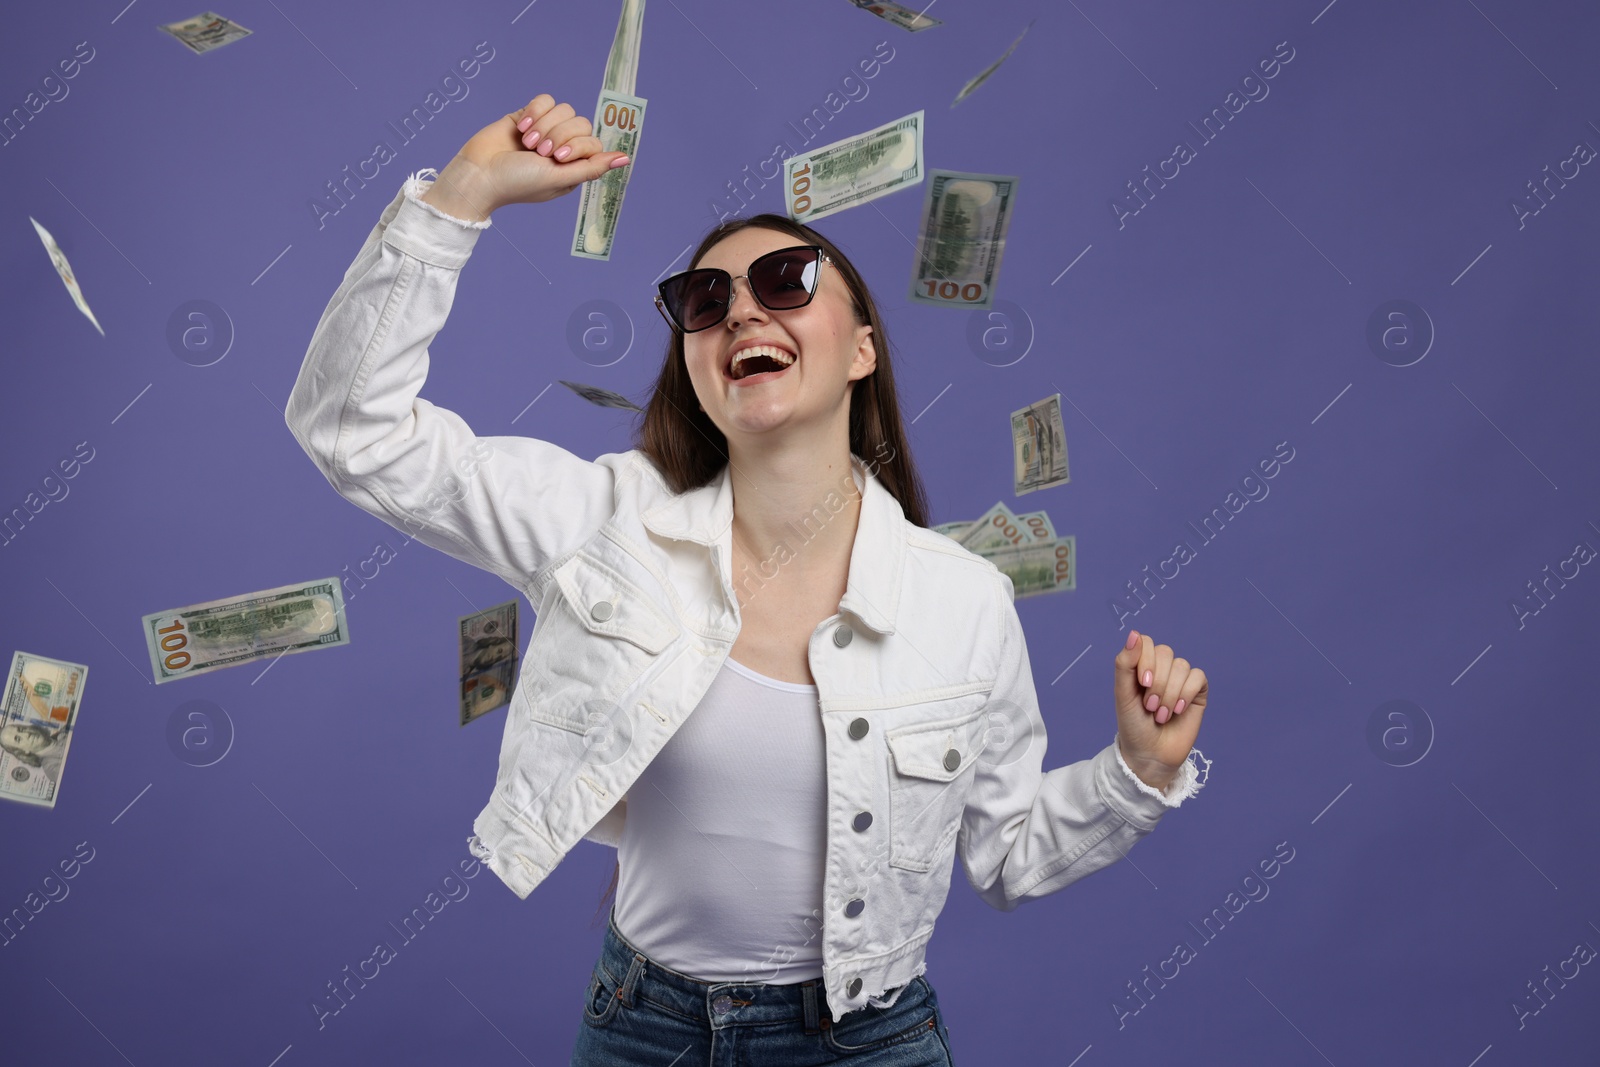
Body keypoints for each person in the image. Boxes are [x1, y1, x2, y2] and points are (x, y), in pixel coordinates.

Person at [287, 92, 1212, 1065]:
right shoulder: (604, 523)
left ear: (861, 348)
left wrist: (1139, 771)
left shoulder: (962, 599)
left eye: (785, 280)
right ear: (690, 356)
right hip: (646, 1030)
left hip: (871, 1042)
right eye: (704, 299)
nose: (740, 310)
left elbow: (1008, 851)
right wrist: (464, 191)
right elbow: (354, 431)